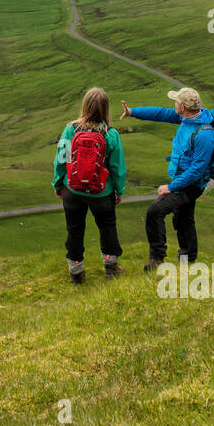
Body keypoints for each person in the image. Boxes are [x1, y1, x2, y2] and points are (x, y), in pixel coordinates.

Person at [120, 87, 214, 271]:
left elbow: (197, 170)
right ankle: (188, 260)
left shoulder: (205, 134)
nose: (174, 104)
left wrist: (171, 187)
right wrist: (132, 112)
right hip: (182, 178)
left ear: (182, 106)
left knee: (155, 211)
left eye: (176, 101)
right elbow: (160, 113)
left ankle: (157, 259)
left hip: (191, 184)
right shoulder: (187, 117)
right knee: (183, 218)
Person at [52, 86, 127, 283]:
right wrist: (119, 190)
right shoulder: (110, 134)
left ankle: (76, 274)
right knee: (107, 227)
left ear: (85, 105)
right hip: (102, 192)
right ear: (105, 108)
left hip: (73, 190)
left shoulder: (71, 129)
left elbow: (61, 159)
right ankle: (111, 269)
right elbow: (117, 167)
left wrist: (58, 183)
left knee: (74, 230)